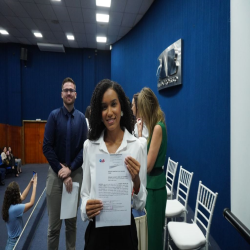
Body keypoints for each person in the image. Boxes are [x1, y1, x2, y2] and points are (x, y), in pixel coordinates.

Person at [80, 79, 147, 250]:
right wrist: (85, 209)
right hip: (97, 233)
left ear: (122, 108)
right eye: (103, 107)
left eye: (113, 105)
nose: (109, 112)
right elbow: (85, 193)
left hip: (125, 234)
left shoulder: (137, 146)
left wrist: (137, 182)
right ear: (98, 113)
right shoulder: (90, 146)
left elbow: (140, 204)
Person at [43, 77, 88, 250]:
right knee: (54, 227)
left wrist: (69, 170)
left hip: (75, 173)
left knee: (71, 224)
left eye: (71, 90)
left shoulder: (82, 119)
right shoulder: (53, 116)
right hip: (55, 174)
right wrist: (61, 170)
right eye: (66, 90)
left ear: (75, 95)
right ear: (61, 94)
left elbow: (85, 149)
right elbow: (46, 147)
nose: (68, 93)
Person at [137, 87, 167, 250]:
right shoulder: (156, 126)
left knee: (154, 238)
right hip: (152, 185)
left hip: (155, 188)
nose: (140, 114)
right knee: (150, 235)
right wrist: (141, 132)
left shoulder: (157, 128)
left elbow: (148, 166)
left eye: (141, 109)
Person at [2, 175, 37, 250]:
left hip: (11, 241)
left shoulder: (8, 204)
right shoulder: (15, 209)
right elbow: (31, 203)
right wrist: (34, 186)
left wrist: (30, 183)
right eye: (19, 190)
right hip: (15, 243)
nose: (20, 192)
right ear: (16, 194)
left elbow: (23, 197)